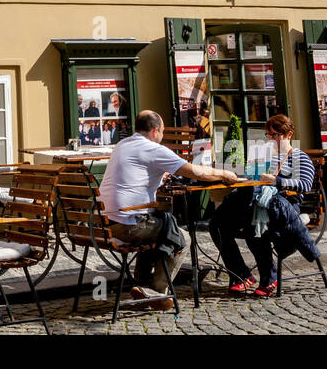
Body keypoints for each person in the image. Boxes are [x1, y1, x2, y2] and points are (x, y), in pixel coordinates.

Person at [99, 110, 238, 304]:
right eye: (162, 132)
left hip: (104, 223)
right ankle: (158, 292)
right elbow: (196, 172)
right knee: (182, 238)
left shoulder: (122, 144)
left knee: (159, 227)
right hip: (128, 225)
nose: (162, 136)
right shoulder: (153, 149)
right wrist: (223, 174)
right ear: (155, 131)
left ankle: (142, 286)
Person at [208, 113, 317, 298]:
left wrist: (277, 181)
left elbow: (305, 185)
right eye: (268, 135)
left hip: (283, 207)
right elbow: (252, 180)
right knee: (217, 225)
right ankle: (241, 275)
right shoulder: (264, 155)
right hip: (255, 203)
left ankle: (269, 278)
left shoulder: (299, 157)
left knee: (255, 226)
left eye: (275, 135)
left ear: (288, 135)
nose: (271, 139)